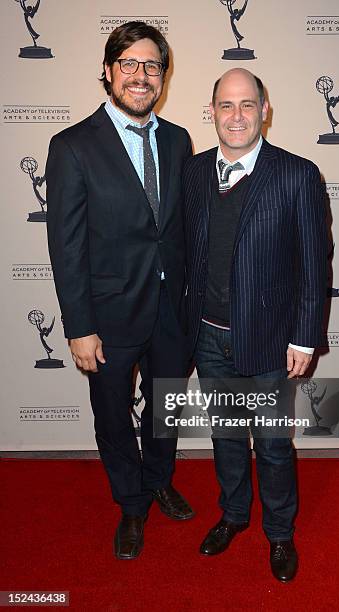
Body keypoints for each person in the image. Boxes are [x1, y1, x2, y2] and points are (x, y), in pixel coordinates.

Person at [46, 21, 194, 561]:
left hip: (173, 311)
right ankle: (131, 504)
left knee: (165, 408)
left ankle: (158, 479)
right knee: (112, 415)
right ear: (108, 73)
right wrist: (79, 326)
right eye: (128, 64)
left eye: (151, 65)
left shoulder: (179, 141)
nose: (140, 75)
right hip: (107, 313)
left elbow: (178, 229)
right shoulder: (72, 146)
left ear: (163, 76)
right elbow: (66, 246)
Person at [183, 68, 327, 581]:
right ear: (212, 112)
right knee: (224, 437)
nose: (237, 115)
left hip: (269, 342)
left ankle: (280, 534)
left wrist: (305, 336)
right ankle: (234, 516)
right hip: (208, 337)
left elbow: (315, 264)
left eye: (248, 104)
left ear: (265, 110)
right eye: (226, 105)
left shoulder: (296, 174)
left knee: (270, 443)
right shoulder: (194, 172)